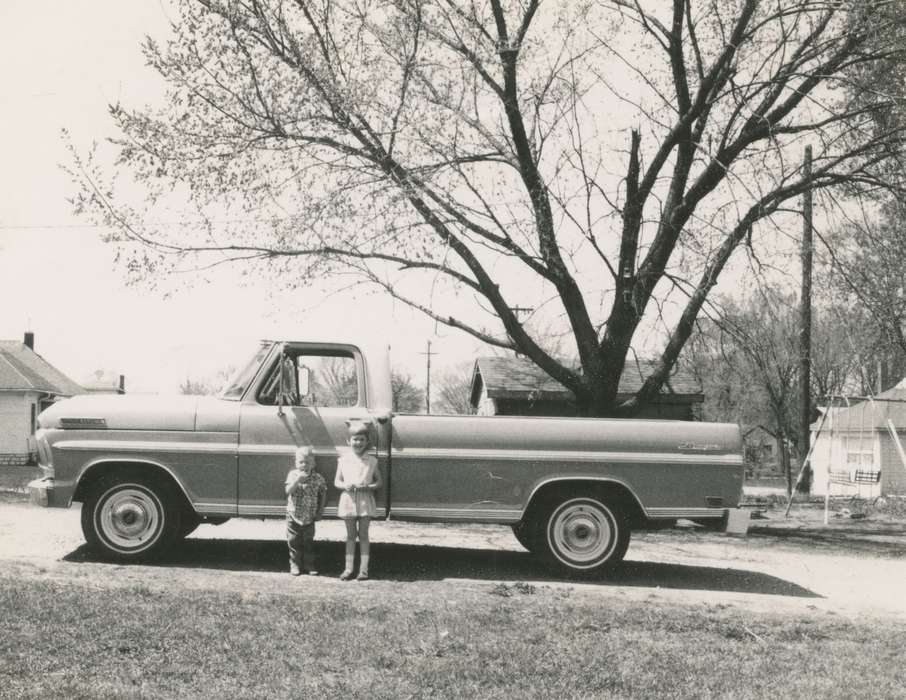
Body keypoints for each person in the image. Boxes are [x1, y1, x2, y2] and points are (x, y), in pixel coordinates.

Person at [334, 419, 382, 581]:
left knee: (363, 535)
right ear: (349, 441)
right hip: (348, 500)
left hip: (365, 501)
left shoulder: (372, 461)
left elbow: (379, 482)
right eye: (355, 439)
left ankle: (364, 570)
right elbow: (337, 482)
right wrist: (345, 485)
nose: (358, 442)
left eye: (362, 439)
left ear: (367, 441)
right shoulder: (343, 460)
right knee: (350, 535)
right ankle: (348, 569)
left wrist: (368, 486)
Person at [285, 445, 327, 576]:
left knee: (308, 542)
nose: (304, 465)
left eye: (307, 462)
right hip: (293, 514)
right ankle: (295, 564)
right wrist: (297, 480)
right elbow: (288, 491)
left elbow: (323, 493)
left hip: (310, 515)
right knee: (293, 541)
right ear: (296, 463)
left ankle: (309, 565)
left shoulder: (318, 478)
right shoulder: (293, 475)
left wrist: (320, 511)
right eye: (301, 462)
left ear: (313, 463)